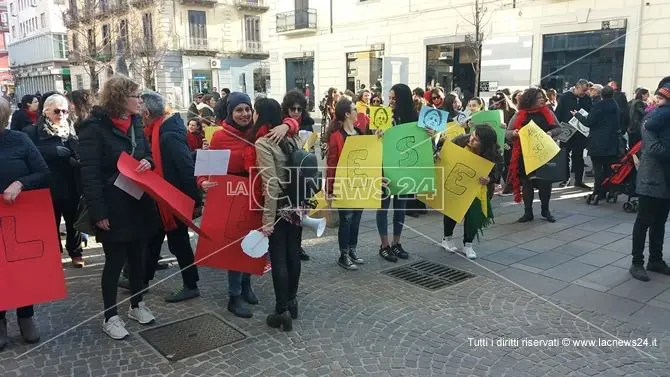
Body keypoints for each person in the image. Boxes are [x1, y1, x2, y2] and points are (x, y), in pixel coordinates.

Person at [198, 92, 299, 318]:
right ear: (230, 113)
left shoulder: (259, 132)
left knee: (252, 244)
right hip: (232, 195)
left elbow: (289, 122)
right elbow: (208, 167)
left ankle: (246, 286)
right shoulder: (220, 137)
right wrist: (203, 181)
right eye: (238, 110)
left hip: (257, 196)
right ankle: (234, 295)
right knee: (235, 246)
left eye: (247, 109)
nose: (244, 114)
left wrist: (288, 124)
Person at [79, 75, 160, 340]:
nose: (140, 101)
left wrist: (148, 161)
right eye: (136, 96)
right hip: (112, 206)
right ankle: (110, 316)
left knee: (139, 258)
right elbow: (89, 175)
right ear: (120, 99)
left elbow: (147, 153)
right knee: (115, 262)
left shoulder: (136, 122)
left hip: (138, 202)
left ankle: (137, 305)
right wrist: (98, 213)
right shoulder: (93, 129)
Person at [137, 91, 203, 302]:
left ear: (146, 113)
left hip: (173, 200)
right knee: (153, 240)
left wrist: (195, 201)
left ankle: (191, 285)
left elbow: (186, 168)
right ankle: (141, 281)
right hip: (162, 199)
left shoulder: (167, 134)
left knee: (179, 243)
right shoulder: (158, 130)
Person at [0, 97, 49, 350]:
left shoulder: (19, 140)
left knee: (21, 268)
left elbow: (43, 172)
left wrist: (21, 183)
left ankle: (25, 315)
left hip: (20, 217)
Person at [253, 97, 303, 331]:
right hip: (297, 203)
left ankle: (281, 310)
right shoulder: (291, 137)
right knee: (293, 253)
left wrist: (267, 221)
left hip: (280, 205)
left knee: (279, 257)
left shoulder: (263, 142)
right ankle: (292, 301)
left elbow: (270, 184)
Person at [23, 94, 84, 268]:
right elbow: (29, 154)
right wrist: (52, 152)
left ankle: (76, 252)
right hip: (48, 183)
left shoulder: (73, 128)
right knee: (51, 222)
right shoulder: (33, 131)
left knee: (74, 221)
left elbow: (83, 149)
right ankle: (53, 253)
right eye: (57, 111)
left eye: (65, 111)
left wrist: (77, 159)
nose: (61, 115)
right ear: (46, 111)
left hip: (71, 181)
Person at [628, 83, 670, 282]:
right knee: (644, 221)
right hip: (652, 178)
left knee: (660, 222)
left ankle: (655, 259)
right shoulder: (653, 119)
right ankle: (637, 262)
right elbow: (654, 148)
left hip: (666, 179)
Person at [440, 126, 501, 259]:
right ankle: (447, 238)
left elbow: (498, 172)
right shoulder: (461, 141)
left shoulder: (494, 152)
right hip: (457, 183)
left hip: (479, 189)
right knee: (452, 211)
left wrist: (489, 179)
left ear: (485, 144)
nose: (471, 139)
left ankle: (468, 244)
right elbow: (445, 152)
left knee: (473, 215)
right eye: (472, 135)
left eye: (476, 140)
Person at [377, 84, 420, 261]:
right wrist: (377, 134)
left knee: (400, 207)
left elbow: (421, 142)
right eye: (390, 98)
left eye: (394, 98)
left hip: (404, 168)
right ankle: (384, 245)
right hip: (385, 168)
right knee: (383, 207)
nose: (391, 101)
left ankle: (396, 243)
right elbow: (372, 140)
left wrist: (428, 133)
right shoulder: (384, 115)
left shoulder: (413, 118)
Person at [506, 88, 562, 223]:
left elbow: (558, 128)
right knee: (527, 184)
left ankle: (545, 210)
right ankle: (528, 212)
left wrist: (550, 134)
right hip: (525, 155)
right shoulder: (519, 115)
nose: (543, 99)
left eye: (543, 97)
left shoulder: (548, 112)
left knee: (545, 184)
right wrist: (514, 133)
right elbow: (507, 132)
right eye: (539, 98)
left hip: (544, 154)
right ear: (530, 100)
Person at [325, 98, 365, 270]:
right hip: (344, 185)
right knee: (346, 220)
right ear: (347, 114)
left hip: (360, 184)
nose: (358, 112)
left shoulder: (360, 133)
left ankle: (352, 250)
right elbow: (331, 165)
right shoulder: (336, 137)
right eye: (355, 109)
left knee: (356, 220)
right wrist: (329, 189)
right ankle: (344, 255)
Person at [281, 90, 315, 261]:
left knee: (302, 208)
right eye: (292, 109)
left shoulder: (307, 124)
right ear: (286, 109)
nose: (295, 112)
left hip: (304, 171)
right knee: (290, 209)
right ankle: (290, 244)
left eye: (299, 109)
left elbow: (312, 147)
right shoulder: (282, 125)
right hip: (289, 172)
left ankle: (298, 245)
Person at [572, 86, 620, 204]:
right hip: (612, 142)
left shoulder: (598, 106)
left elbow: (588, 122)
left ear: (601, 95)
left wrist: (577, 115)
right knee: (609, 168)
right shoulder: (616, 106)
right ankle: (608, 190)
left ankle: (598, 191)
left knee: (598, 169)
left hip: (598, 142)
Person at [554, 79, 592, 189]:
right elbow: (558, 113)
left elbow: (590, 112)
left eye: (586, 91)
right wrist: (557, 129)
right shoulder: (565, 97)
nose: (583, 93)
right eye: (582, 90)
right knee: (565, 155)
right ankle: (565, 179)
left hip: (580, 130)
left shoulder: (586, 98)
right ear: (577, 87)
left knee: (579, 156)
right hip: (566, 128)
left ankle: (579, 180)